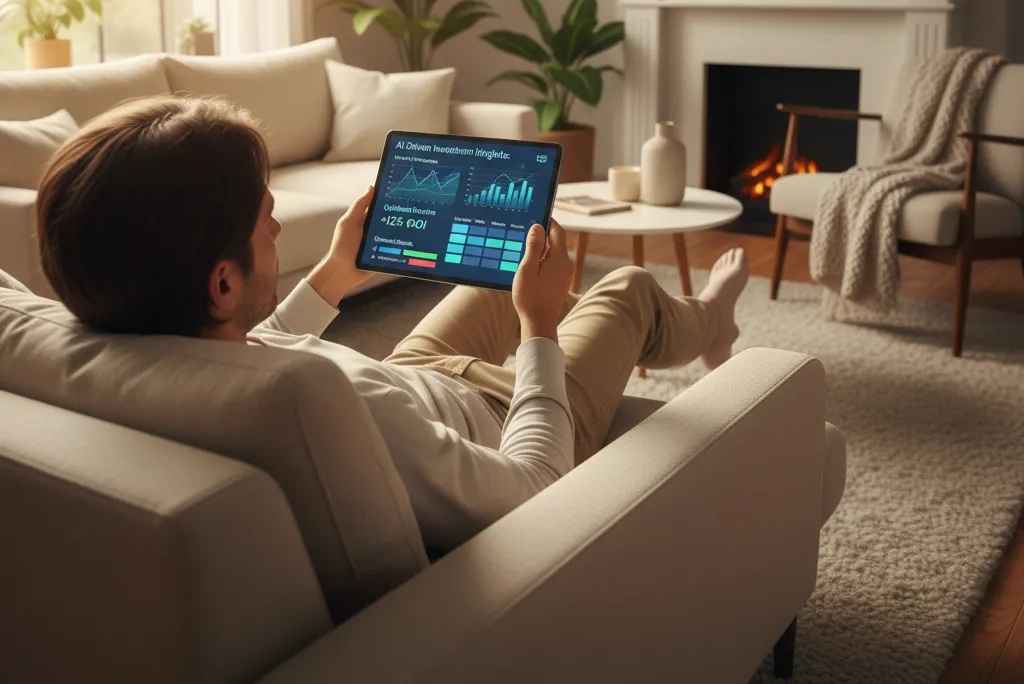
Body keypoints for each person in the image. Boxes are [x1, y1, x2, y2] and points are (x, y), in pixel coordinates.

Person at [36, 95, 750, 554]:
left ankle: (569, 309)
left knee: (499, 274)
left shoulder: (160, 347)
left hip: (407, 378)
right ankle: (710, 323)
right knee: (627, 288)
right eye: (265, 218)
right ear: (222, 283)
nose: (278, 225)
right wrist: (537, 327)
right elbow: (535, 485)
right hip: (493, 414)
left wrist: (334, 274)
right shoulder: (336, 412)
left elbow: (252, 349)